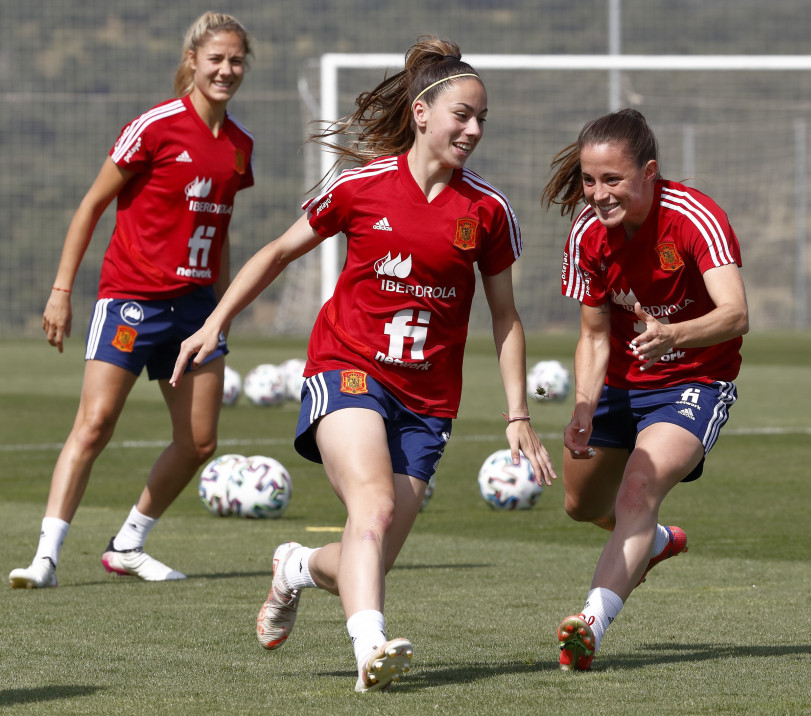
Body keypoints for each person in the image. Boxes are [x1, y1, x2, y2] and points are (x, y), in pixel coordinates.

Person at [171, 35, 556, 693]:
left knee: (366, 555)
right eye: (462, 114)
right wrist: (215, 321)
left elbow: (506, 318)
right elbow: (276, 253)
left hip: (428, 402)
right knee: (372, 506)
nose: (473, 128)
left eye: (482, 118)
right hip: (347, 370)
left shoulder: (488, 211)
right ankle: (370, 648)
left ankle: (293, 567)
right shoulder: (361, 187)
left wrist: (518, 411)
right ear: (422, 113)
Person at [9, 13, 255, 590]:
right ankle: (44, 557)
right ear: (193, 59)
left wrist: (218, 314)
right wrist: (62, 291)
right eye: (216, 58)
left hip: (196, 311)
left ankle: (128, 543)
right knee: (94, 425)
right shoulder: (154, 126)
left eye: (237, 60)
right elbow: (91, 206)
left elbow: (218, 235)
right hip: (131, 303)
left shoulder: (241, 145)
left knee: (199, 442)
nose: (226, 69)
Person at [541, 108, 749, 671]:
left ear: (649, 172)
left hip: (693, 380)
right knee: (582, 506)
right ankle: (651, 542)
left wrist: (674, 334)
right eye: (589, 180)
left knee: (637, 488)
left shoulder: (695, 217)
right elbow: (593, 334)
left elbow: (736, 314)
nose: (598, 193)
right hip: (618, 383)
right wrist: (583, 406)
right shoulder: (588, 234)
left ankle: (588, 627)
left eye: (612, 180)